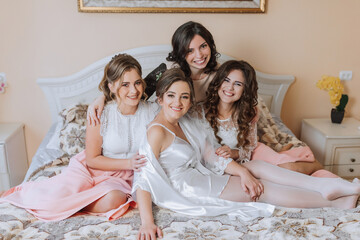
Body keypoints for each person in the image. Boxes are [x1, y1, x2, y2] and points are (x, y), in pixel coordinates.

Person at [134, 68, 360, 240]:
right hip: (190, 185)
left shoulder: (186, 122)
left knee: (258, 168)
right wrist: (146, 222)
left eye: (184, 97)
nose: (178, 103)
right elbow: (143, 179)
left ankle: (323, 186)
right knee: (259, 190)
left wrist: (242, 171)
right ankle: (333, 203)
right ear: (160, 98)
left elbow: (210, 154)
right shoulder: (156, 132)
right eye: (172, 96)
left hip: (202, 171)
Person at [0, 54, 159, 221]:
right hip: (91, 170)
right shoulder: (100, 114)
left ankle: (74, 205)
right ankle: (25, 194)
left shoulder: (152, 110)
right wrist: (129, 163)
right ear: (111, 86)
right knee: (52, 199)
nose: (134, 91)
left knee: (115, 199)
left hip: (125, 179)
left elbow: (165, 72)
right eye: (125, 84)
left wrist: (104, 96)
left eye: (137, 82)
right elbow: (92, 159)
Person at [201, 60, 336, 177]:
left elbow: (249, 149)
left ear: (245, 90)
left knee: (289, 169)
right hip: (227, 164)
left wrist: (233, 153)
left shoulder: (248, 112)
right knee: (281, 175)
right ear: (218, 81)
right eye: (226, 80)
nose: (230, 87)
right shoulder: (200, 112)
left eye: (238, 84)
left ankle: (316, 165)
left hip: (252, 155)